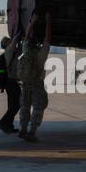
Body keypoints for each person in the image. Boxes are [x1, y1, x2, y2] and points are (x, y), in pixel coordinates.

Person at [18, 12, 51, 142]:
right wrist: (48, 21)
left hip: (25, 83)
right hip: (37, 83)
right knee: (38, 107)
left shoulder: (25, 50)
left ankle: (23, 128)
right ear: (38, 45)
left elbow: (26, 37)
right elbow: (48, 38)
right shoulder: (41, 55)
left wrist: (33, 22)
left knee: (24, 106)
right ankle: (32, 132)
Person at [0, 34, 21, 134]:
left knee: (11, 105)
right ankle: (3, 123)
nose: (11, 41)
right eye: (8, 41)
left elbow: (18, 45)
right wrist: (19, 32)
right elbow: (15, 41)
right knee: (17, 104)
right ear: (6, 44)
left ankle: (8, 126)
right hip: (11, 82)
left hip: (9, 82)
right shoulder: (9, 51)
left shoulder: (11, 52)